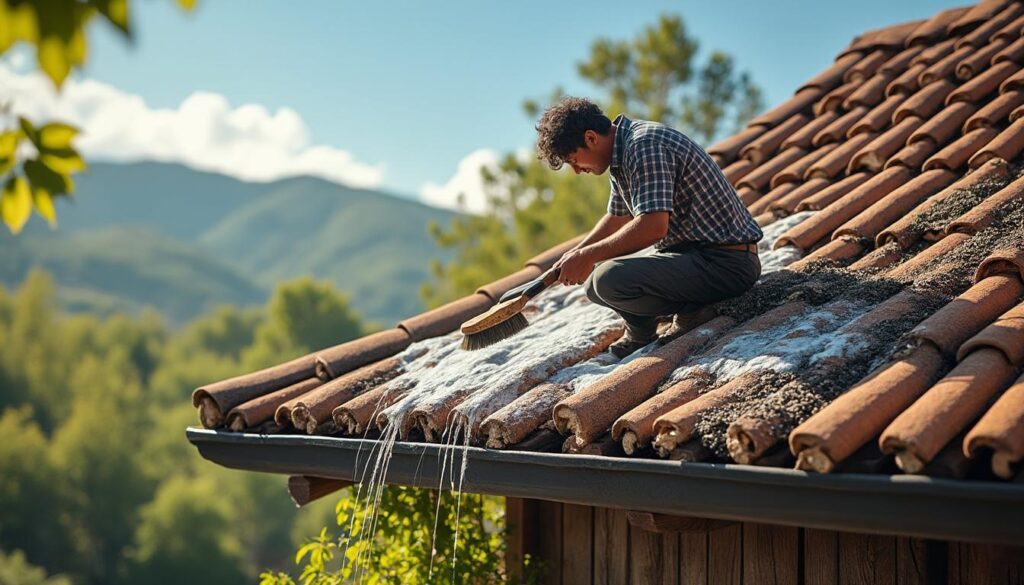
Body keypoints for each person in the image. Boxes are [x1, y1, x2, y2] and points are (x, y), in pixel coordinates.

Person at [537, 96, 763, 358]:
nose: (577, 170)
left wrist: (588, 256)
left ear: (590, 138)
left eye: (573, 160)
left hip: (727, 263)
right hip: (695, 259)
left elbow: (653, 227)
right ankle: (642, 331)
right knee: (593, 285)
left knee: (608, 279)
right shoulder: (621, 155)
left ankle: (697, 309)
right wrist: (575, 255)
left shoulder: (644, 145)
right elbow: (617, 217)